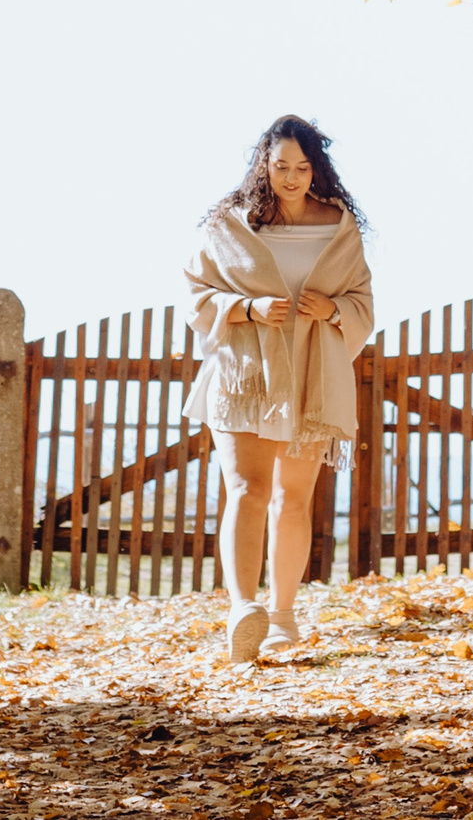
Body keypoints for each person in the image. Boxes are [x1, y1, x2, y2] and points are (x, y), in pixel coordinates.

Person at [182, 114, 375, 661]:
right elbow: (194, 294)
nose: (291, 177)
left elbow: (363, 302)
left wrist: (334, 309)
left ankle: (283, 617)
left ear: (317, 169)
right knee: (247, 489)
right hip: (245, 377)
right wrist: (245, 308)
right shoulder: (230, 224)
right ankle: (244, 609)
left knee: (294, 499)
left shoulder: (338, 227)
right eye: (281, 166)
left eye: (302, 166)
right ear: (263, 166)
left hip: (313, 376)